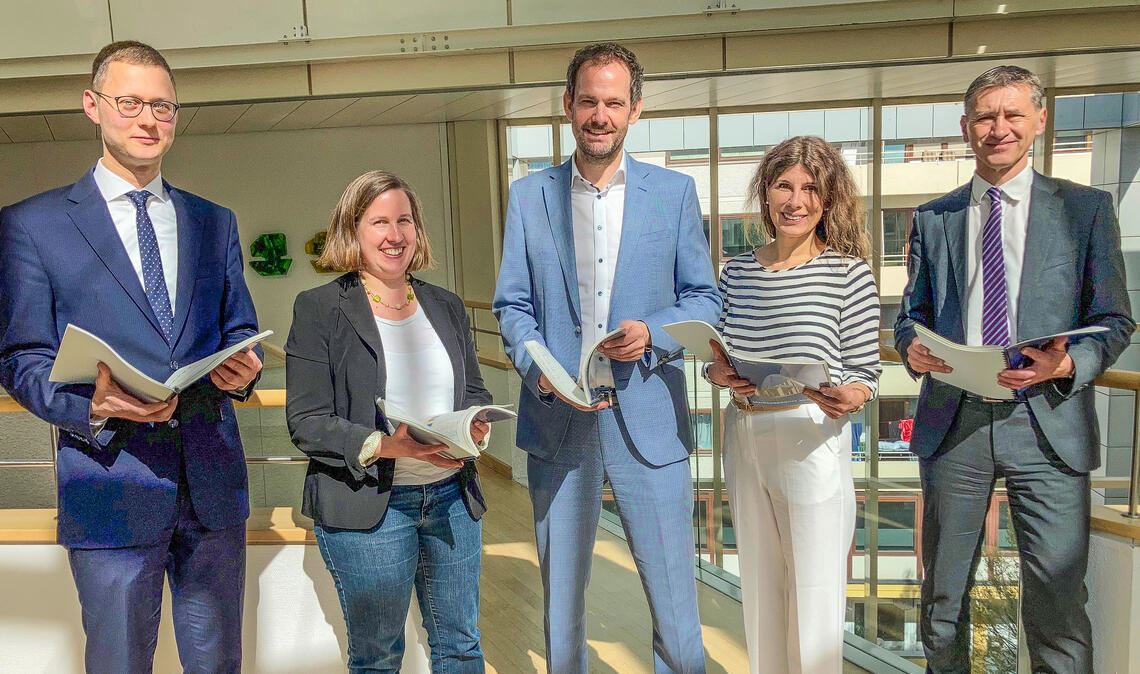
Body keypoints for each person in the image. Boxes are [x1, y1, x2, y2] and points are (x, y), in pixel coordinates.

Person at [0, 41, 263, 673]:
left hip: (213, 490)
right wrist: (89, 404)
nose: (149, 119)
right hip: (110, 486)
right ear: (93, 106)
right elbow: (20, 357)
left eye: (164, 107)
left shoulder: (214, 221)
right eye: (130, 102)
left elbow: (240, 327)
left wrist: (243, 370)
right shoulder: (31, 226)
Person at [895, 65, 1134, 673]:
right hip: (956, 425)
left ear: (1038, 121)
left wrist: (1066, 363)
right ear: (966, 127)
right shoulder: (934, 217)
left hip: (1046, 427)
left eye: (1011, 115)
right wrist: (910, 348)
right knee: (943, 606)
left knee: (1056, 601)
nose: (998, 128)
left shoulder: (1085, 210)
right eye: (984, 117)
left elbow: (1114, 320)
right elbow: (912, 313)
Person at [492, 42, 721, 674]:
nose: (600, 114)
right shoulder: (529, 196)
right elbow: (511, 305)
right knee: (562, 615)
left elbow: (705, 298)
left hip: (647, 417)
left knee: (676, 608)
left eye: (613, 102)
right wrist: (537, 367)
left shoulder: (674, 194)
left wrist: (652, 332)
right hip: (558, 417)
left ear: (635, 109)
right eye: (588, 100)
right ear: (567, 105)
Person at [286, 170, 490, 674]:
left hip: (451, 500)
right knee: (377, 657)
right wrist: (383, 444)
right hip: (370, 508)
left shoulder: (445, 305)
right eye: (379, 221)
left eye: (404, 220)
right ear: (352, 231)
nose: (394, 234)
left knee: (461, 648)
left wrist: (477, 422)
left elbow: (474, 391)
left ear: (417, 231)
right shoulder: (319, 309)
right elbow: (306, 420)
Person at [705, 135, 881, 674]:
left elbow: (865, 370)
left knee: (814, 594)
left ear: (827, 200)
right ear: (766, 193)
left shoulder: (848, 273)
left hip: (811, 436)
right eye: (784, 185)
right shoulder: (735, 272)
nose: (795, 200)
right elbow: (719, 355)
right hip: (745, 432)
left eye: (809, 189)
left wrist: (850, 394)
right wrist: (718, 372)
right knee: (760, 589)